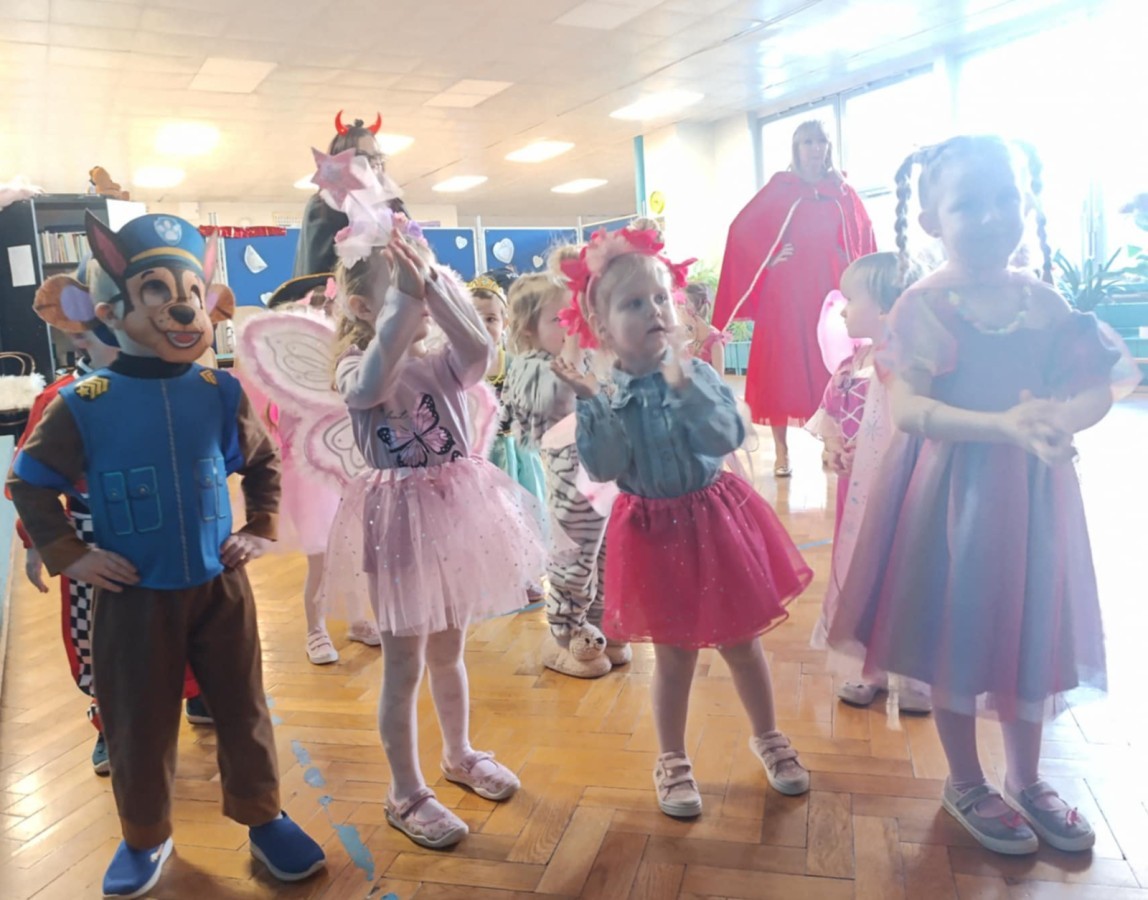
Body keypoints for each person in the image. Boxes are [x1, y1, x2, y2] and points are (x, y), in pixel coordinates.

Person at [826, 135, 1138, 855]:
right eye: (968, 204)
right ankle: (965, 779)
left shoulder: (1045, 301)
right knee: (957, 628)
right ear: (932, 221)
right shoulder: (923, 307)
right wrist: (1003, 426)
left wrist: (1062, 418)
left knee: (1033, 625)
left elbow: (1095, 384)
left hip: (1035, 499)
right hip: (953, 498)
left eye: (1006, 199)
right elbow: (910, 409)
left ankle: (1027, 777)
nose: (992, 216)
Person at [7, 214, 325, 896]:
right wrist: (69, 554)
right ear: (110, 309)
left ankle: (264, 816)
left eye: (191, 292)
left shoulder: (220, 392)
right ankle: (145, 835)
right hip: (131, 595)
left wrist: (261, 526)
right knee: (137, 721)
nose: (181, 308)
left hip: (220, 586)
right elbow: (28, 482)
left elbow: (263, 462)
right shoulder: (82, 403)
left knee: (243, 709)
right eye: (155, 290)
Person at [552, 227, 814, 818]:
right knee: (674, 656)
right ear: (601, 327)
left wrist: (681, 385)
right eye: (632, 303)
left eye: (659, 298)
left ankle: (768, 735)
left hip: (713, 521)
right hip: (651, 534)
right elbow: (606, 465)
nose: (653, 311)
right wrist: (591, 402)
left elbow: (725, 436)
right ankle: (671, 758)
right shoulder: (603, 393)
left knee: (742, 643)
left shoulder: (696, 374)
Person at [713, 120, 876, 476]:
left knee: (831, 364)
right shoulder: (781, 187)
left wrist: (851, 261)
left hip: (828, 287)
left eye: (821, 141)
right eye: (807, 142)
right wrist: (769, 257)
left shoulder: (842, 191)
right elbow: (741, 230)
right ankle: (782, 452)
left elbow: (863, 231)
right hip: (786, 291)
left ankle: (832, 442)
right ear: (796, 148)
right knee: (782, 367)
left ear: (829, 147)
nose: (815, 148)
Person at [805, 252, 931, 714]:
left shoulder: (916, 366)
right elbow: (832, 413)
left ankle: (913, 670)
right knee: (862, 573)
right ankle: (865, 664)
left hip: (906, 492)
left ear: (884, 307)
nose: (842, 310)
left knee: (907, 572)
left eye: (851, 299)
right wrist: (833, 446)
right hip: (856, 497)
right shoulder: (853, 362)